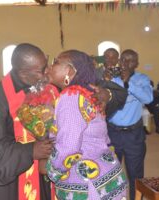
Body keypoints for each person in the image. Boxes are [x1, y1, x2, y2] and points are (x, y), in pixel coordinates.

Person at [0, 43, 55, 200]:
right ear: (23, 73)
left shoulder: (34, 87)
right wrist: (31, 151)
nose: (46, 73)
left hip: (36, 171)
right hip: (10, 185)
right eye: (40, 70)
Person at [45, 49, 127, 200]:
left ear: (69, 71)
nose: (50, 67)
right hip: (106, 177)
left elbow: (68, 147)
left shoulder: (70, 97)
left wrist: (52, 170)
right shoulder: (86, 93)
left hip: (88, 185)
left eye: (55, 62)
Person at [107, 49, 153, 200]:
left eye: (131, 60)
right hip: (112, 133)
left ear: (137, 64)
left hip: (133, 135)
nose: (126, 63)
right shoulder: (112, 79)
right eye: (124, 59)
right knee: (110, 173)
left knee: (135, 175)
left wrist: (128, 83)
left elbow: (148, 98)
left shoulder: (142, 79)